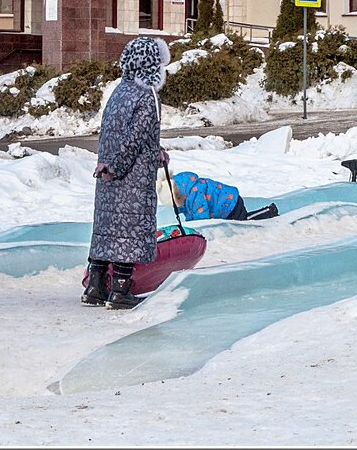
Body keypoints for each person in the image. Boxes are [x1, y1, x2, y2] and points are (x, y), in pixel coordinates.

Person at [83, 36, 171, 310]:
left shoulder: (119, 92)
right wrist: (118, 167)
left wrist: (152, 151)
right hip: (129, 176)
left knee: (107, 229)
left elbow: (119, 133)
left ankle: (95, 288)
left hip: (108, 175)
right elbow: (135, 137)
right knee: (128, 231)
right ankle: (120, 290)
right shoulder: (146, 96)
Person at [168, 171, 279, 222]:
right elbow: (190, 215)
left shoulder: (195, 195)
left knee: (244, 221)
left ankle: (269, 211)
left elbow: (201, 218)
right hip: (224, 205)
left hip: (230, 203)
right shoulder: (187, 191)